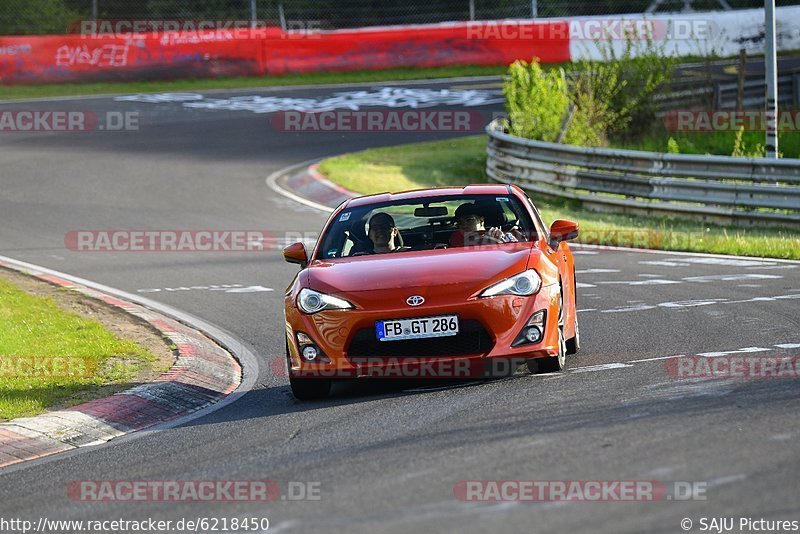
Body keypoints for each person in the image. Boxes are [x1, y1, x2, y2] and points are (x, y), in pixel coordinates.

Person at [449, 203, 517, 247]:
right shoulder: (455, 236)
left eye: (469, 220)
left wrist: (501, 241)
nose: (463, 225)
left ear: (481, 220)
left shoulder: (497, 235)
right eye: (460, 222)